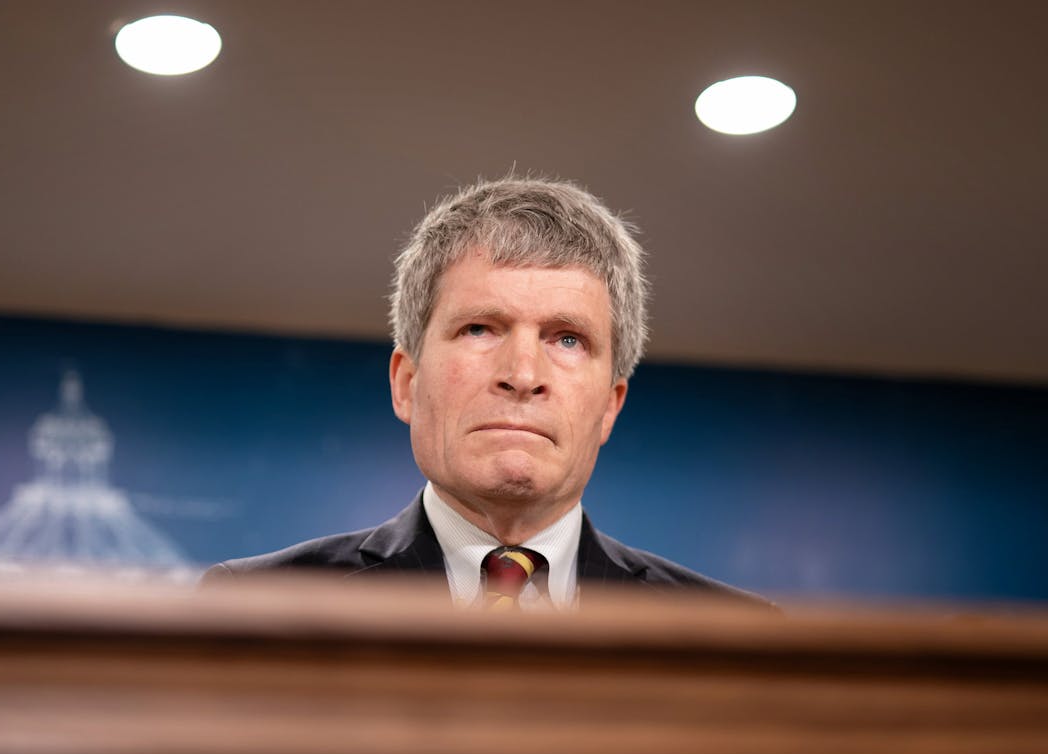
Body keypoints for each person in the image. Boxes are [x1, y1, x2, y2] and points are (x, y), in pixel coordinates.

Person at [205, 176, 768, 610]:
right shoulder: (254, 604)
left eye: (567, 339)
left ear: (610, 407)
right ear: (406, 382)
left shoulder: (742, 642)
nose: (523, 374)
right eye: (480, 328)